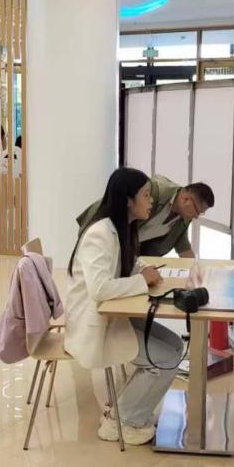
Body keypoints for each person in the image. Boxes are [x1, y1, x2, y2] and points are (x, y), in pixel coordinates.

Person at [65, 168, 186, 446]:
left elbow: (127, 263)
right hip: (94, 324)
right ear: (128, 200)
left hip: (114, 315)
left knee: (176, 346)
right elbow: (99, 289)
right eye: (146, 195)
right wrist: (142, 280)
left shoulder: (123, 228)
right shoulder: (100, 233)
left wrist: (144, 270)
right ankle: (123, 421)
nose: (151, 201)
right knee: (164, 360)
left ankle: (124, 410)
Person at [77, 175, 213, 259]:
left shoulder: (183, 218)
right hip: (103, 232)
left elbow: (184, 248)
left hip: (126, 250)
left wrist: (197, 273)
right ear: (185, 198)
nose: (196, 217)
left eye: (200, 213)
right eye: (197, 211)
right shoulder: (153, 192)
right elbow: (114, 206)